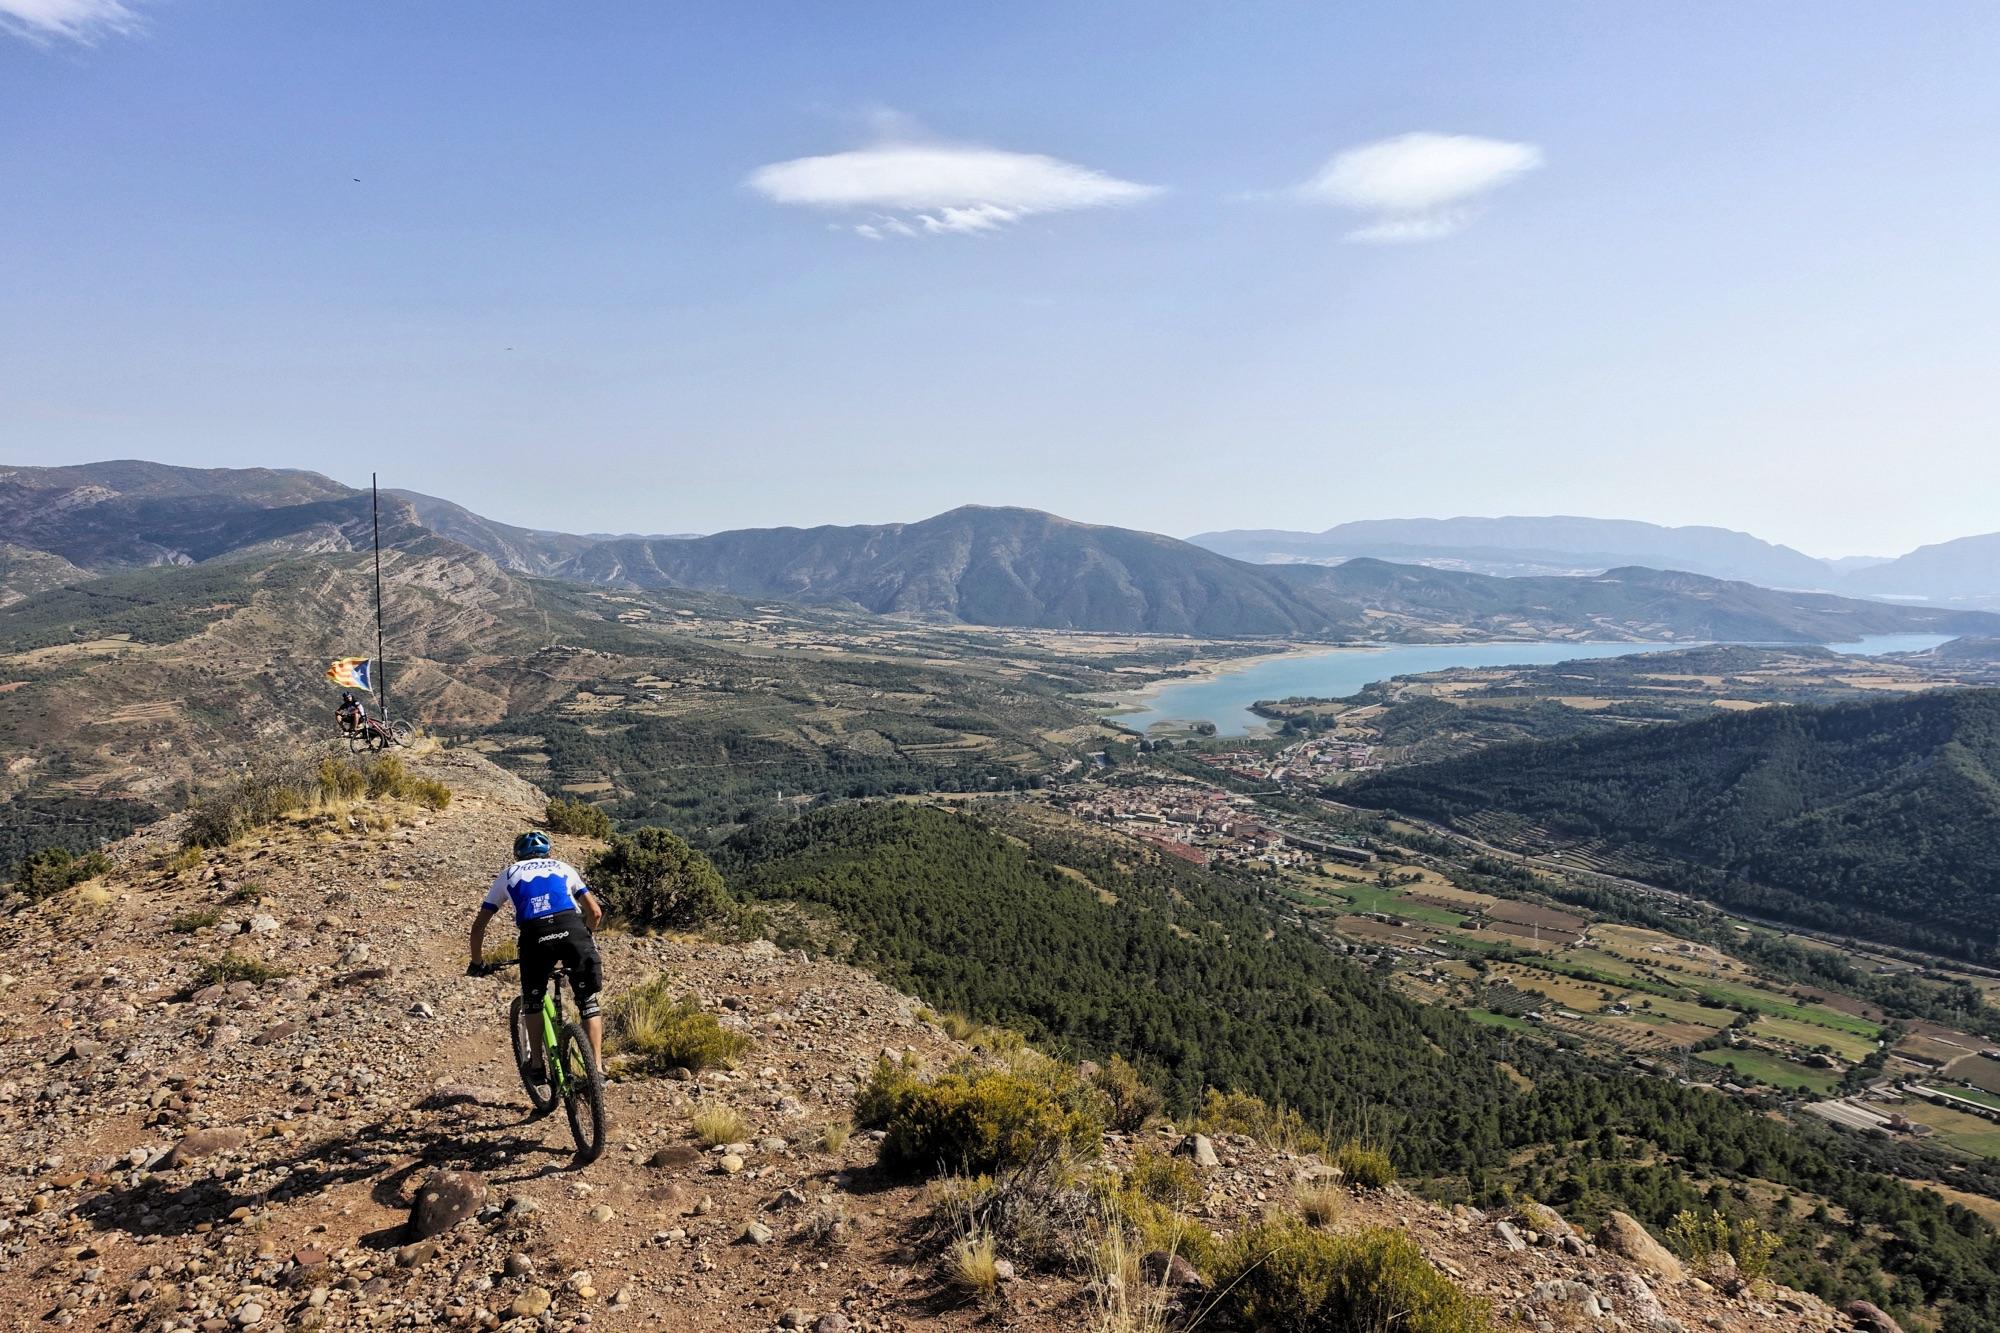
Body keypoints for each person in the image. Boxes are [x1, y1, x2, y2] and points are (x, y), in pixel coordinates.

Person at [467, 830, 606, 1077]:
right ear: (548, 852)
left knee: (532, 1001)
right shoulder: (564, 867)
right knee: (587, 1001)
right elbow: (595, 913)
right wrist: (585, 937)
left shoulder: (508, 874)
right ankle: (596, 1070)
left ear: (517, 854)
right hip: (573, 930)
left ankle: (537, 1066)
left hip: (535, 936)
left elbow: (478, 928)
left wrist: (477, 963)